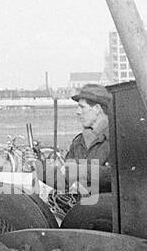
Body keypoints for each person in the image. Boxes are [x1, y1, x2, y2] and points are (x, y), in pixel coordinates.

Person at [38, 83, 112, 228]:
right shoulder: (79, 142)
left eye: (82, 107)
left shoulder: (116, 139)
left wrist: (81, 170)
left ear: (97, 109)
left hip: (107, 219)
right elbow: (64, 183)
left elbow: (120, 176)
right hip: (83, 216)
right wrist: (40, 167)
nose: (77, 112)